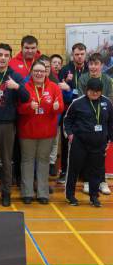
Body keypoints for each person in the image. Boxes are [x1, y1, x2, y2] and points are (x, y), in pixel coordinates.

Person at [0, 43, 29, 206]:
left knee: (7, 161)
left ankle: (6, 193)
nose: (2, 58)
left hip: (7, 124)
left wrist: (16, 87)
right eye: (0, 55)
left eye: (6, 55)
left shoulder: (15, 76)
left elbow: (26, 97)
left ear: (10, 58)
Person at [17, 61, 63, 204]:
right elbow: (18, 109)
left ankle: (43, 193)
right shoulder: (24, 87)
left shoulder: (54, 87)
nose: (39, 73)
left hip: (47, 133)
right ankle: (27, 193)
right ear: (31, 72)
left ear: (46, 73)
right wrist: (29, 107)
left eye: (41, 71)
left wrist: (57, 107)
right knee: (27, 162)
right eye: (36, 71)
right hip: (27, 132)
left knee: (43, 162)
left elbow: (60, 107)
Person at [64, 78, 113, 207]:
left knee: (96, 171)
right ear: (87, 90)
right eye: (92, 92)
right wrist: (70, 134)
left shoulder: (107, 103)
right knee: (74, 170)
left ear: (101, 91)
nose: (95, 94)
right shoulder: (77, 103)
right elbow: (67, 120)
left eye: (97, 92)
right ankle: (70, 196)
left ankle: (94, 197)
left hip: (98, 144)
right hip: (79, 143)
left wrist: (109, 139)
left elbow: (111, 123)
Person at [78, 53, 113, 195]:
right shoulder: (83, 79)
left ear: (101, 65)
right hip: (87, 121)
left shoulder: (107, 80)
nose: (93, 67)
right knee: (87, 152)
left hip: (102, 121)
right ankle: (87, 181)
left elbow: (110, 100)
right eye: (91, 64)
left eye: (96, 64)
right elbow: (81, 99)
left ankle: (102, 181)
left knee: (101, 153)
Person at [57, 43, 88, 184]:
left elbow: (87, 93)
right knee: (66, 142)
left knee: (84, 141)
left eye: (82, 54)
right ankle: (64, 171)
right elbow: (61, 92)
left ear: (85, 54)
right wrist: (69, 90)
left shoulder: (90, 69)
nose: (79, 57)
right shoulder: (65, 70)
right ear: (72, 55)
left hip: (86, 112)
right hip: (69, 111)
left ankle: (83, 171)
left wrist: (70, 89)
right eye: (77, 54)